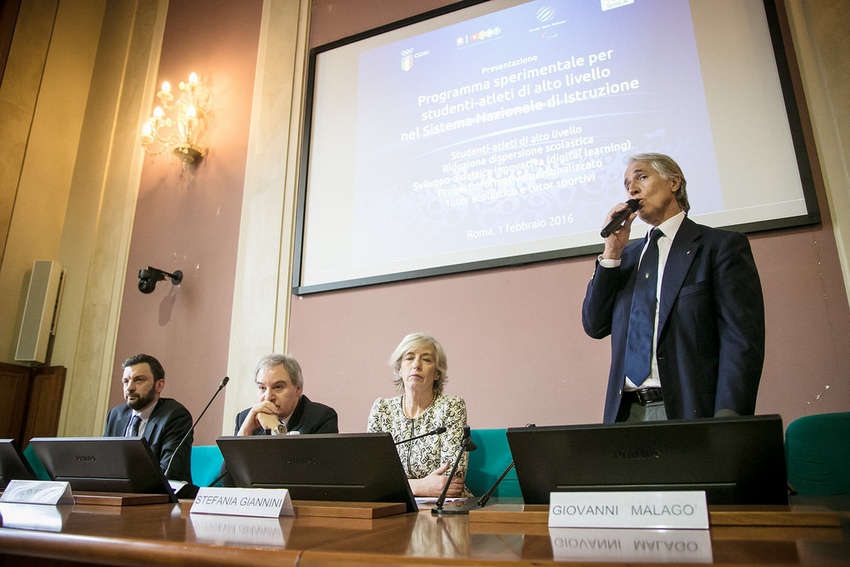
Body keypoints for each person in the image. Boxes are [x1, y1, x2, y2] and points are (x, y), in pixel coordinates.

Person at [582, 153, 765, 423]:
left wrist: (729, 415)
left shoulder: (719, 247)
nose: (632, 188)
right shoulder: (624, 259)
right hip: (625, 414)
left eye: (641, 177)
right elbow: (594, 325)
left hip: (689, 411)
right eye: (626, 184)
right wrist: (611, 253)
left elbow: (741, 340)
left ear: (674, 183)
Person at [368, 333, 470, 498]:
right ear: (399, 369)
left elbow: (451, 479)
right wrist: (420, 486)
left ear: (437, 373)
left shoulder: (451, 406)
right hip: (394, 504)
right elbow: (372, 477)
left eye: (426, 359)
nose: (416, 365)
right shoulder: (382, 409)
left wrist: (395, 486)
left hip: (443, 507)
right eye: (409, 358)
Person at [104, 353, 193, 482]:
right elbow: (105, 463)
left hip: (164, 496)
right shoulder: (116, 415)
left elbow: (170, 472)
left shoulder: (175, 416)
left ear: (159, 385)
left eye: (139, 380)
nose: (130, 388)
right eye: (126, 381)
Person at [233, 354, 338, 436]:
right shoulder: (244, 418)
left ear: (298, 388)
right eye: (262, 388)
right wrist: (245, 432)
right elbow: (230, 464)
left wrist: (277, 429)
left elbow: (301, 462)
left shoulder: (321, 418)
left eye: (278, 387)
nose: (268, 397)